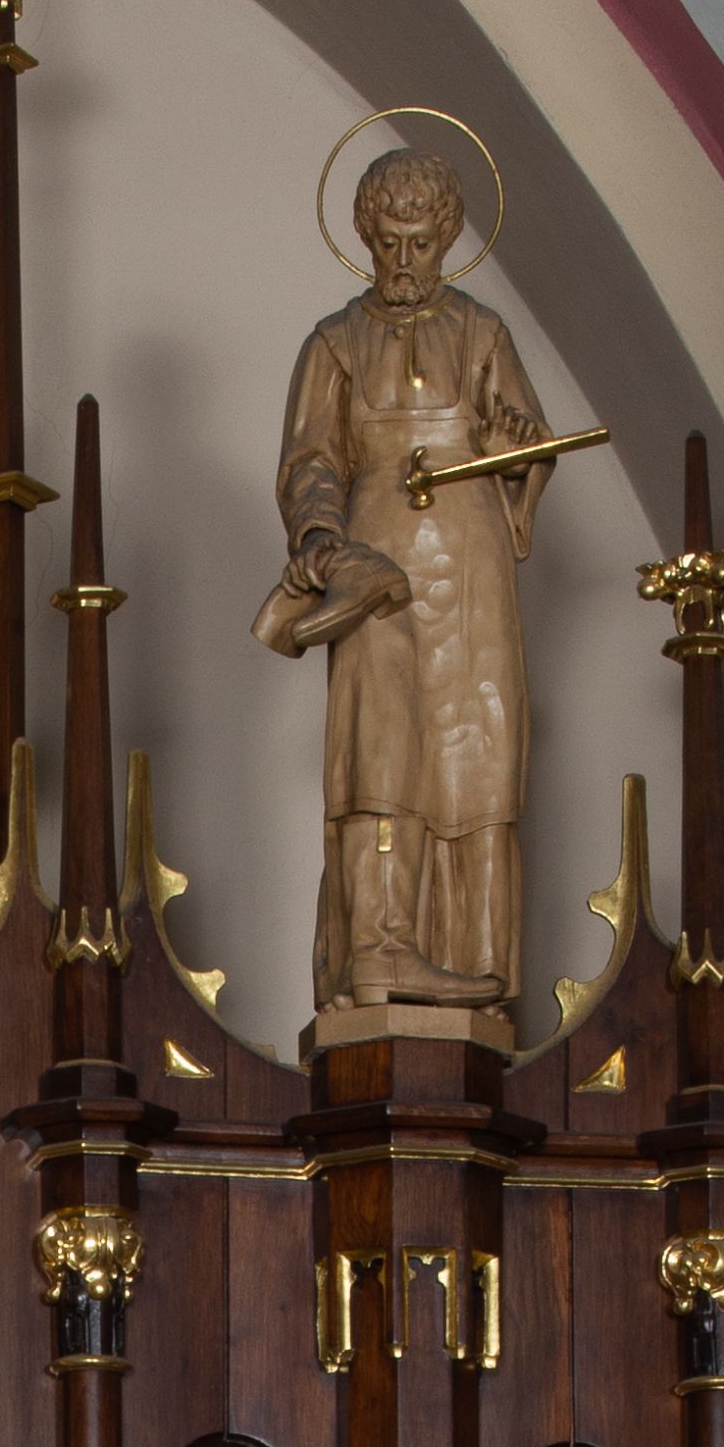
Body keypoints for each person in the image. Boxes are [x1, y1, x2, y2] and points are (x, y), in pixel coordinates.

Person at [255, 141, 554, 1016]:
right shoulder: (335, 343)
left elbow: (528, 446)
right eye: (387, 242)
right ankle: (380, 958)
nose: (403, 261)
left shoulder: (483, 335)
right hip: (377, 574)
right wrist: (321, 535)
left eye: (420, 244)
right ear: (365, 237)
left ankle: (480, 972)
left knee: (478, 761)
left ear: (448, 238)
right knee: (383, 759)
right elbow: (311, 461)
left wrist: (511, 455)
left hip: (474, 574)